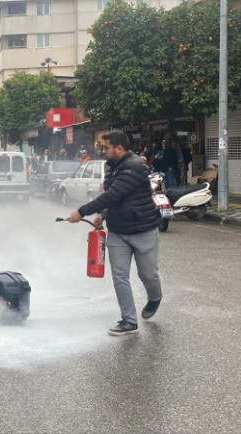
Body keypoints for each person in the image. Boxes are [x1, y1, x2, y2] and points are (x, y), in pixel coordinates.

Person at [66, 130, 163, 336]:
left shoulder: (135, 167)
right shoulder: (112, 168)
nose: (103, 151)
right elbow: (112, 200)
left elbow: (113, 194)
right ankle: (129, 320)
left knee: (148, 275)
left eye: (106, 147)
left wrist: (81, 211)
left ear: (119, 148)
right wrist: (102, 214)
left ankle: (155, 297)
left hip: (143, 229)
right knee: (120, 275)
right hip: (118, 231)